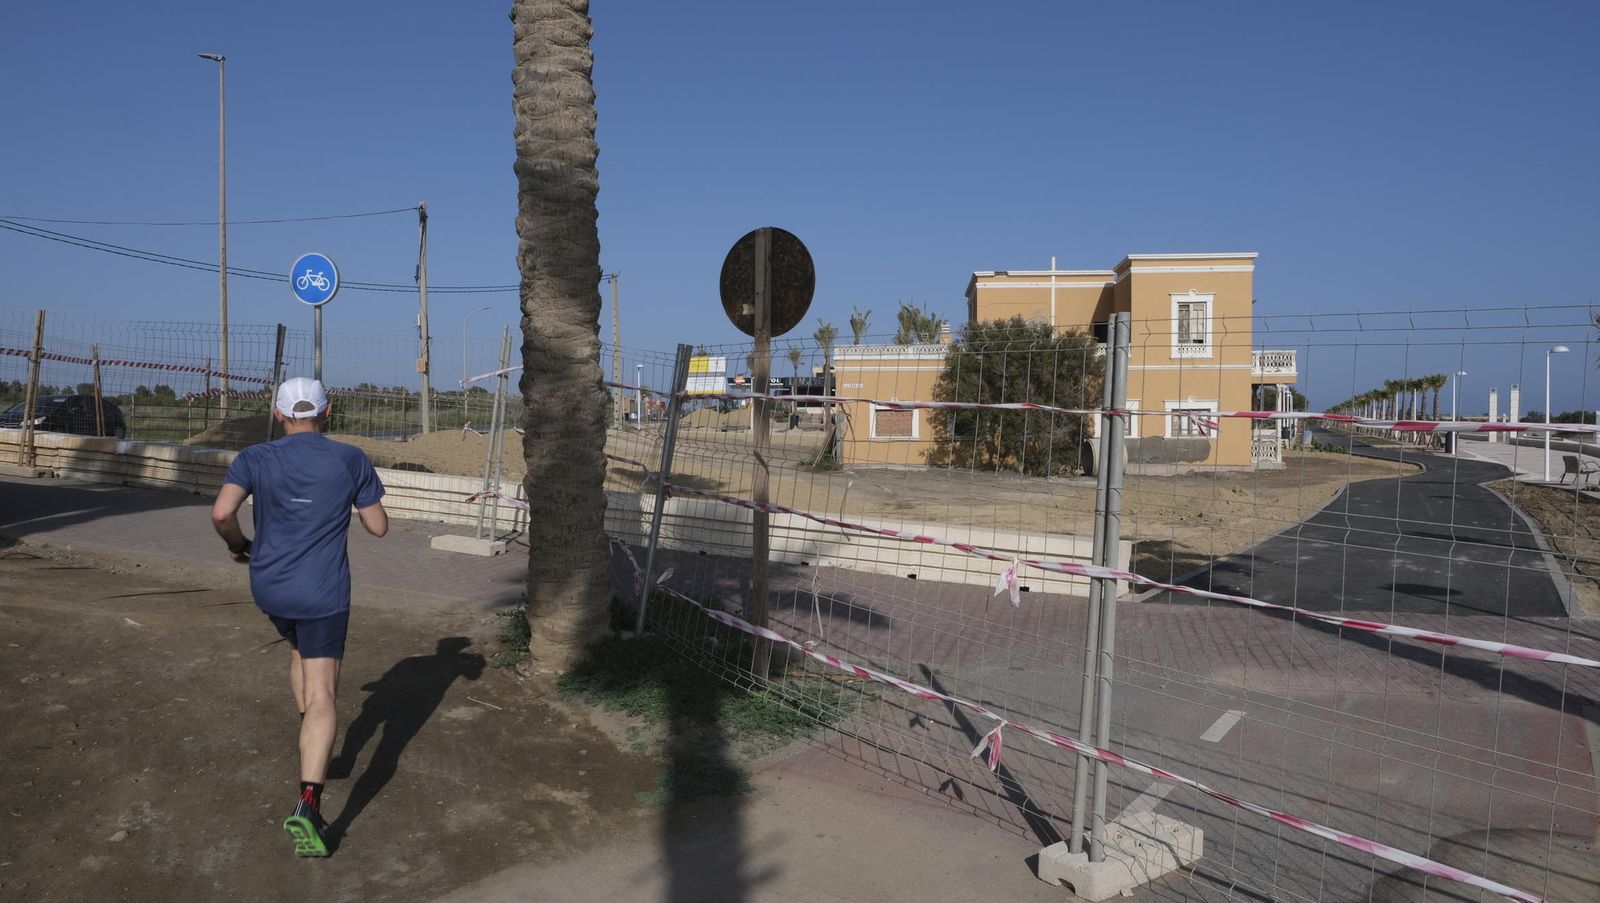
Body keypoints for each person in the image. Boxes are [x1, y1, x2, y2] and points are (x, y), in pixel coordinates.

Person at [209, 377, 389, 857]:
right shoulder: (350, 458)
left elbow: (221, 512)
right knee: (325, 689)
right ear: (326, 412)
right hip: (323, 592)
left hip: (269, 586)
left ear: (278, 413)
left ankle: (311, 731)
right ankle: (309, 803)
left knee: (298, 650)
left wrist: (239, 546)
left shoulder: (254, 458)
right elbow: (378, 527)